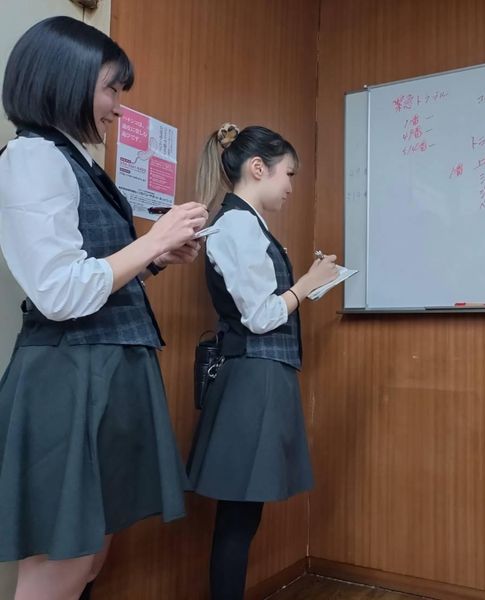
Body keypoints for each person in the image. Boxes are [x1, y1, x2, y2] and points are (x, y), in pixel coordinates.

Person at [0, 16, 208, 600]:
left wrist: (154, 258)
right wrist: (152, 241)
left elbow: (91, 272)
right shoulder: (32, 157)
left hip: (105, 365)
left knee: (89, 558)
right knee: (62, 563)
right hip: (70, 374)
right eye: (111, 89)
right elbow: (59, 292)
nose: (119, 107)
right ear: (63, 81)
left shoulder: (76, 160)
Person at [187, 123, 337, 600]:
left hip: (258, 374)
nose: (291, 186)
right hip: (253, 376)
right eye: (288, 174)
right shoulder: (236, 225)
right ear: (258, 168)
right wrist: (307, 284)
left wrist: (304, 285)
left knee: (242, 514)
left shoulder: (246, 224)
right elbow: (261, 316)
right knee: (239, 515)